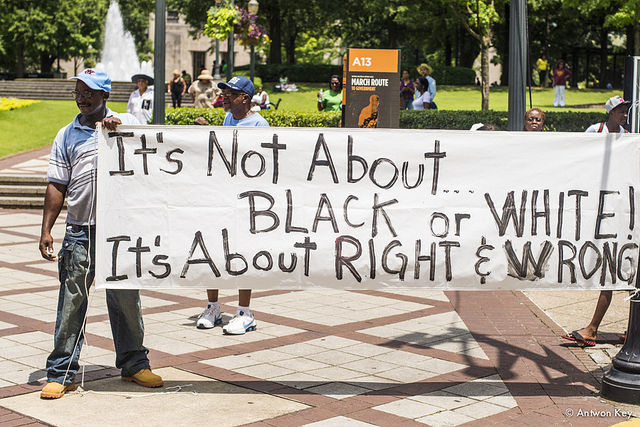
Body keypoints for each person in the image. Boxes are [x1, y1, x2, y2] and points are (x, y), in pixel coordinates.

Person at [38, 68, 163, 399]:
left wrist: (118, 131)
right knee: (72, 301)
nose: (82, 98)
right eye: (78, 92)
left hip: (118, 232)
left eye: (89, 92)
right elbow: (56, 185)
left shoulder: (123, 123)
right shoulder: (66, 134)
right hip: (79, 231)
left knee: (126, 300)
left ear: (105, 96)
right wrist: (46, 229)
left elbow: (150, 158)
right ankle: (62, 371)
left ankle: (135, 364)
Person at [196, 76, 268, 334]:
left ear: (245, 99)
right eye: (224, 92)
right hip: (224, 194)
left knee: (242, 252)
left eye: (230, 93)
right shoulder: (228, 119)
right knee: (213, 247)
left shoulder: (259, 123)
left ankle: (244, 311)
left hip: (246, 198)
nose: (224, 96)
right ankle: (213, 306)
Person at [561, 96, 631, 347]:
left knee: (615, 274)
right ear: (610, 113)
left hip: (620, 205)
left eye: (626, 111)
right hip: (603, 202)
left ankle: (598, 329)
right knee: (614, 273)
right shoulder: (595, 131)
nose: (625, 114)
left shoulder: (629, 137)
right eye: (621, 111)